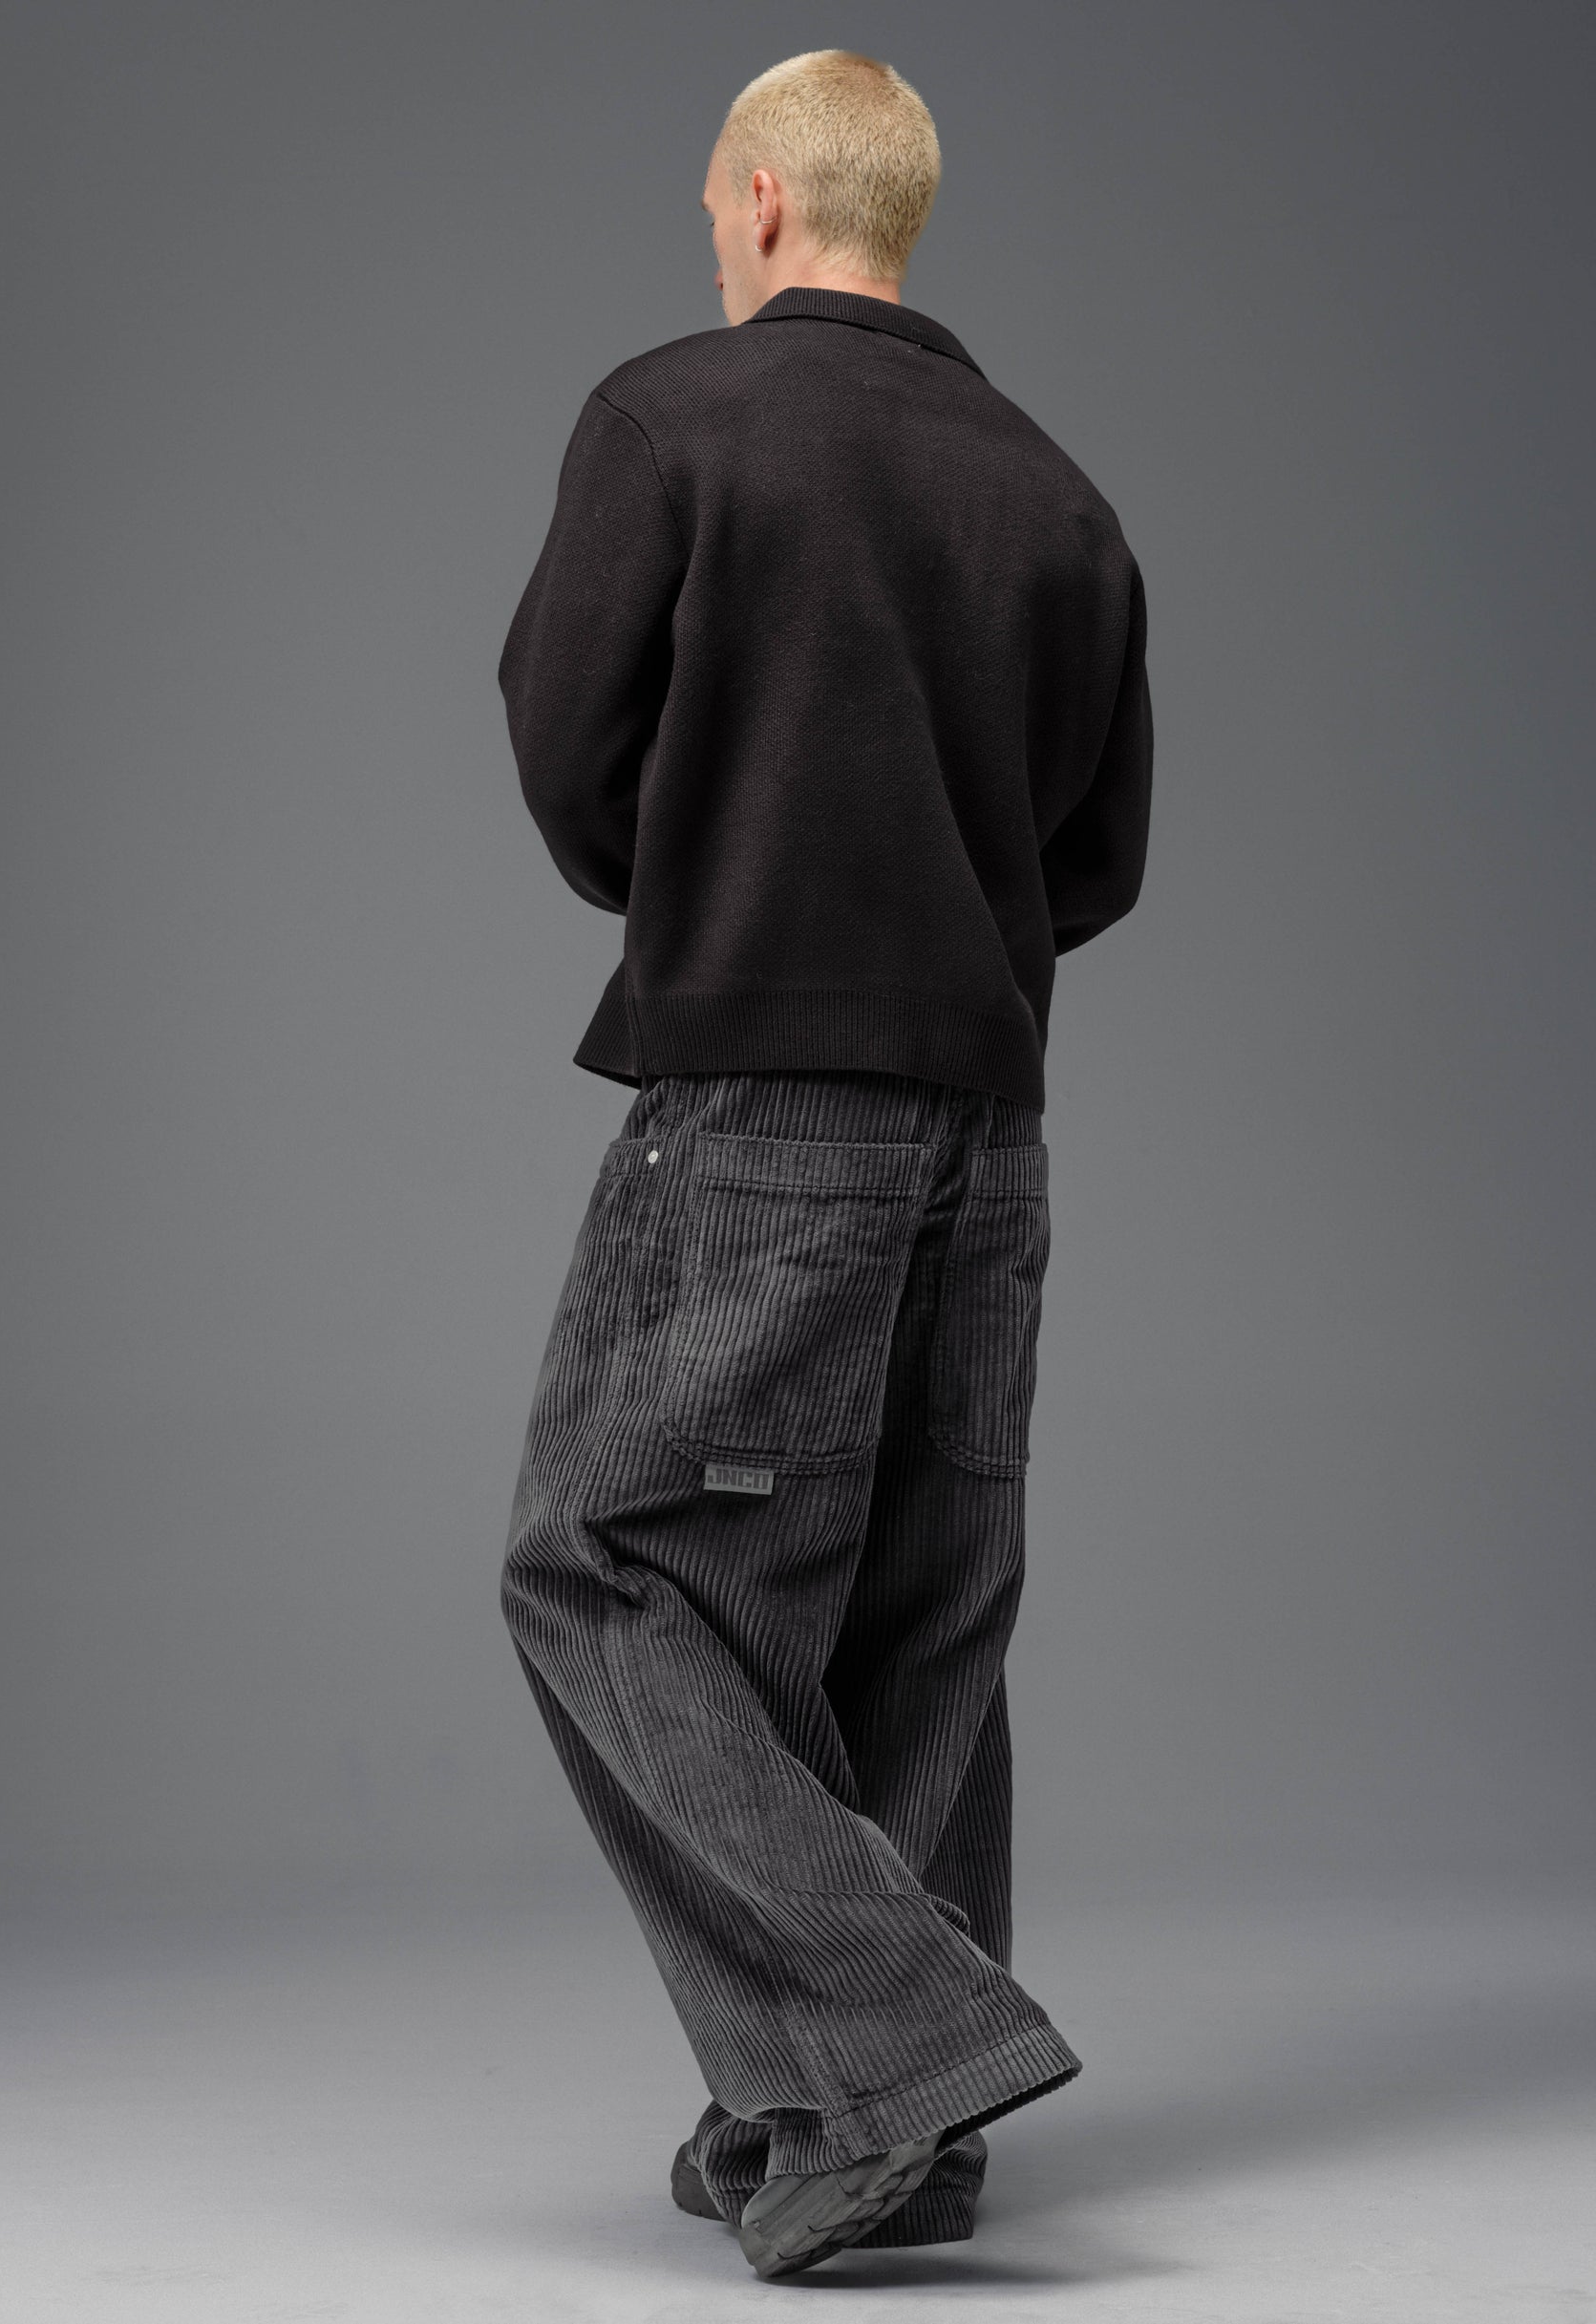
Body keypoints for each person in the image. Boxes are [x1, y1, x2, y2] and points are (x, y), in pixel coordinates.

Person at [496, 47, 1152, 2281]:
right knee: (913, 1603)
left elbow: (567, 742)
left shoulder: (670, 419)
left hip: (768, 1096)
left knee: (608, 1565)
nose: (710, 232)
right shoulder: (1054, 491)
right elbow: (1095, 854)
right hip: (993, 1110)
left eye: (713, 202)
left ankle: (890, 2047)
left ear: (766, 200)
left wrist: (719, 883)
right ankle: (877, 2134)